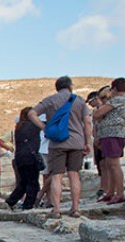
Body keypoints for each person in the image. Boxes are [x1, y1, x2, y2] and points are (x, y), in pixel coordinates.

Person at [28, 76, 93, 218]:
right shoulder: (80, 100)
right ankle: (75, 208)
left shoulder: (50, 100)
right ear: (70, 86)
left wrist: (44, 127)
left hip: (57, 142)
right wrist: (87, 142)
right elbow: (87, 122)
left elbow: (31, 113)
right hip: (76, 142)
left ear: (57, 87)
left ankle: (56, 209)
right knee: (74, 174)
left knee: (56, 175)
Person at [93, 77, 125, 210]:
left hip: (113, 134)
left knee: (113, 164)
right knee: (109, 163)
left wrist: (99, 106)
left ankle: (119, 193)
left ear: (114, 89)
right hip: (113, 134)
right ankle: (111, 192)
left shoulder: (117, 100)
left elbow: (98, 114)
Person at [5, 107, 42, 210]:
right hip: (30, 157)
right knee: (32, 182)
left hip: (19, 158)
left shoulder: (19, 127)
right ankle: (28, 204)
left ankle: (11, 201)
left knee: (23, 182)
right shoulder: (33, 125)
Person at [87, 89, 106, 199]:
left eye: (90, 101)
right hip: (97, 139)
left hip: (104, 138)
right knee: (100, 165)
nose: (89, 104)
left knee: (107, 164)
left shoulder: (105, 109)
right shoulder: (94, 111)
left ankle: (106, 188)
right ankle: (102, 187)